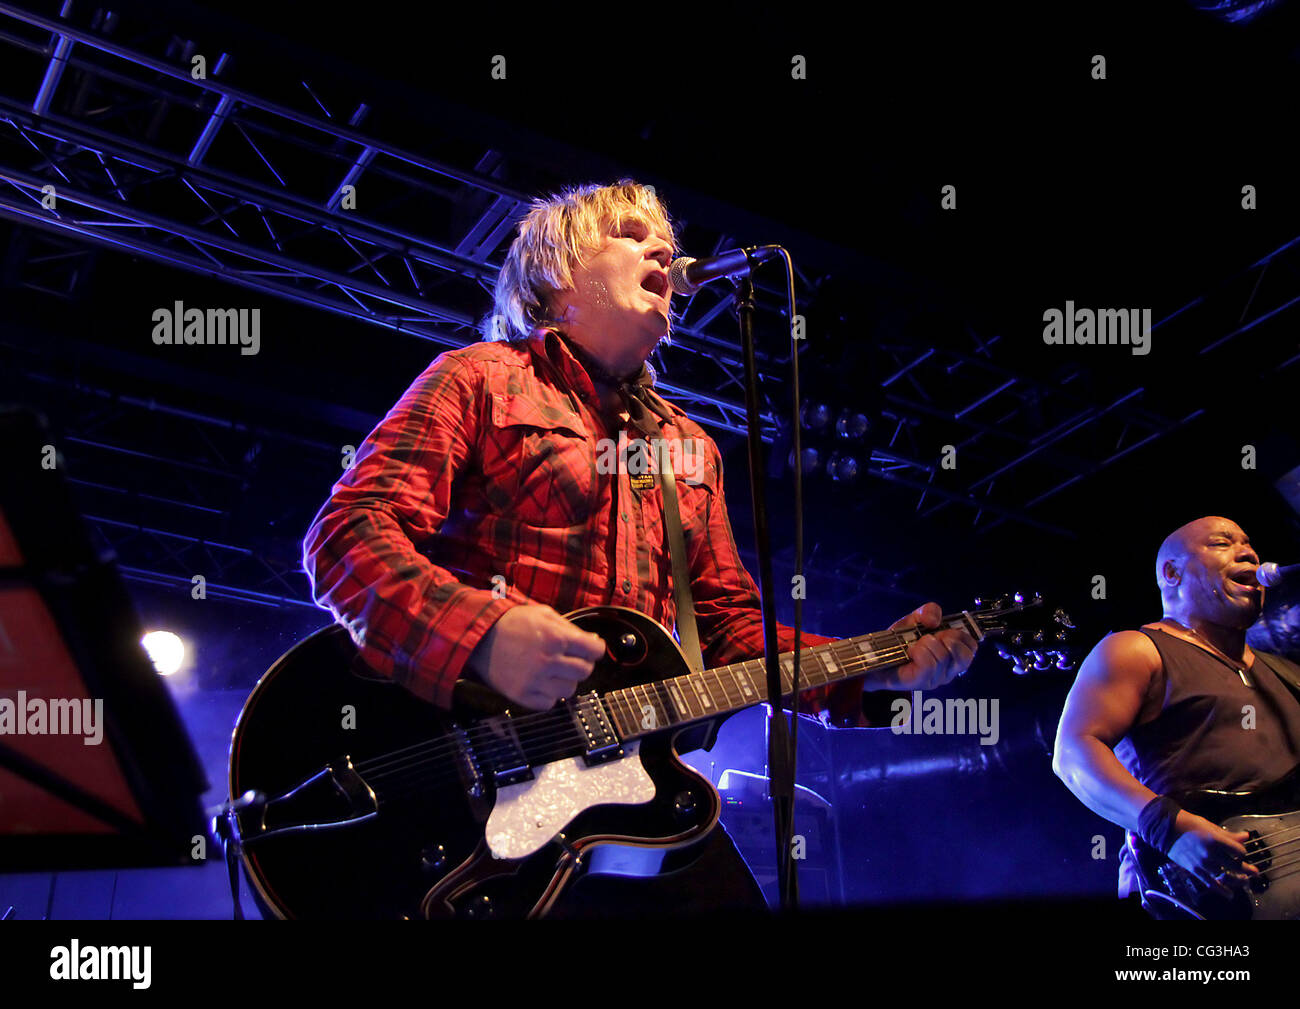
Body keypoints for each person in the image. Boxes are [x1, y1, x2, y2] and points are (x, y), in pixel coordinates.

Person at [303, 180, 977, 915]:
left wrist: (874, 666)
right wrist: (482, 636)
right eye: (628, 233)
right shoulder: (479, 378)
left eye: (664, 238)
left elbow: (727, 630)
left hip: (631, 797)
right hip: (466, 784)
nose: (663, 248)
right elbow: (348, 534)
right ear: (555, 275)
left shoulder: (687, 447)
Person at [1053, 515, 1300, 908]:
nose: (1249, 552)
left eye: (1250, 545)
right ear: (1171, 572)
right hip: (1187, 895)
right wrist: (1169, 830)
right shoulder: (1136, 649)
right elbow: (1073, 753)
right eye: (1223, 543)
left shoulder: (1286, 673)